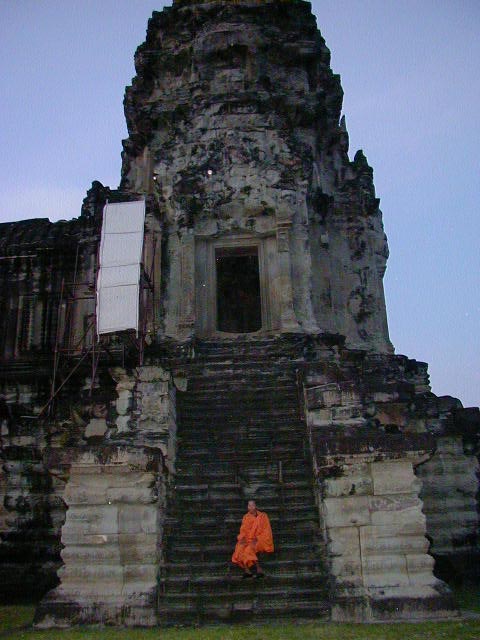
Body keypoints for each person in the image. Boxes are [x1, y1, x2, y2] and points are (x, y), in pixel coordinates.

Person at [231, 500, 274, 578]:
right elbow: (243, 530)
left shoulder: (263, 516)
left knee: (249, 549)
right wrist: (242, 538)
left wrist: (257, 538)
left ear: (255, 506)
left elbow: (266, 530)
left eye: (252, 505)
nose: (250, 507)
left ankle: (259, 569)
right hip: (248, 539)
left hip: (261, 539)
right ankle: (247, 571)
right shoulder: (245, 517)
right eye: (249, 506)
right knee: (239, 549)